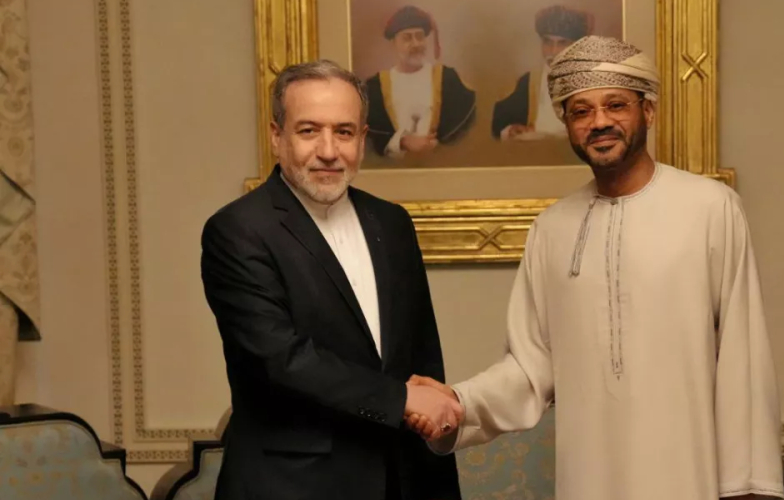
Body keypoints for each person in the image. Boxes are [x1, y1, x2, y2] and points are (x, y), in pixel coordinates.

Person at [409, 36, 784, 500]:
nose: (600, 122)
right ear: (567, 124)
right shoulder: (551, 229)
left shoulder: (711, 209)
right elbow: (529, 369)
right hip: (588, 478)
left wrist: (747, 487)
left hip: (691, 476)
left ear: (648, 111)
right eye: (581, 111)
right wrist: (458, 403)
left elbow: (744, 357)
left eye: (616, 105)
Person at [200, 59, 463, 500]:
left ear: (362, 138)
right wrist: (401, 400)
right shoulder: (237, 230)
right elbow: (279, 360)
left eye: (343, 132)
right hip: (291, 486)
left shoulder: (392, 223)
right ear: (276, 136)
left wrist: (434, 430)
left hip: (403, 479)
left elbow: (422, 356)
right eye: (309, 131)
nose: (328, 150)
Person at [365, 5, 476, 159]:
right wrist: (402, 142)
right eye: (407, 38)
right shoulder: (376, 87)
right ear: (393, 43)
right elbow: (370, 135)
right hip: (393, 169)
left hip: (441, 164)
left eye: (420, 36)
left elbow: (466, 125)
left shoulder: (448, 79)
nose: (416, 44)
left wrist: (439, 145)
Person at [491, 5, 592, 141]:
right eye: (547, 42)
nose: (553, 51)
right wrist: (512, 130)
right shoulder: (527, 82)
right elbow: (498, 123)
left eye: (562, 43)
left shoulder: (592, 82)